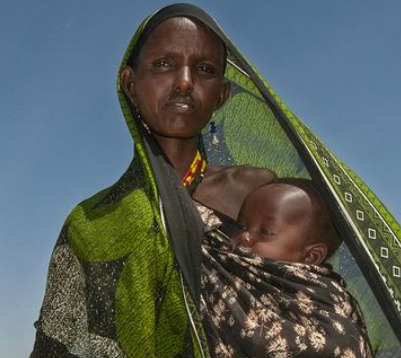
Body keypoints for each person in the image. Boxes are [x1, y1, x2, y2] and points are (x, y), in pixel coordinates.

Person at [31, 4, 275, 358]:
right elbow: (59, 344)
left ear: (221, 94)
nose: (185, 82)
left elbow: (316, 304)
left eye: (204, 69)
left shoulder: (259, 196)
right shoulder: (90, 223)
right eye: (164, 64)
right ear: (130, 83)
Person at [199, 179, 373, 358]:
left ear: (311, 256)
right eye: (242, 225)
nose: (244, 236)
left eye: (265, 231)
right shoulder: (217, 251)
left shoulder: (327, 314)